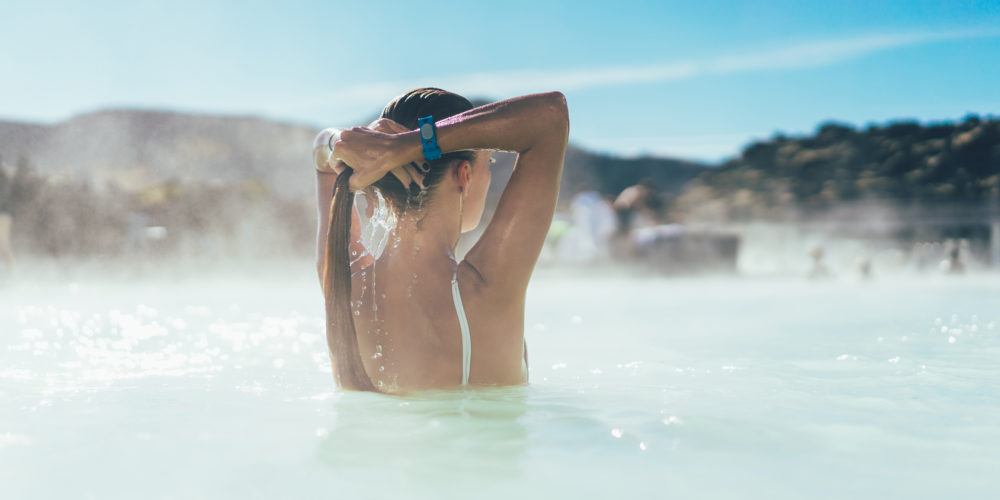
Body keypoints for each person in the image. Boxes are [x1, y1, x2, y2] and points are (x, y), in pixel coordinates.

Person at [312, 89, 569, 393]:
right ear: (464, 175)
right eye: (489, 160)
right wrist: (408, 146)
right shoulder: (485, 291)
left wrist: (351, 142)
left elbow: (321, 152)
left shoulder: (341, 280)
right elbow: (551, 114)